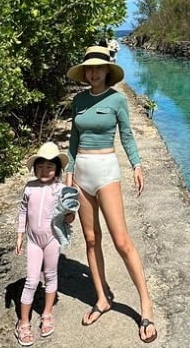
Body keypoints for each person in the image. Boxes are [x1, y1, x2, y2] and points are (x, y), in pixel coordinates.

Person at [65, 45, 158, 343]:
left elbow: (127, 134)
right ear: (85, 72)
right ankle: (102, 298)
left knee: (121, 241)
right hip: (81, 176)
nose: (93, 73)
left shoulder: (117, 99)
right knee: (91, 240)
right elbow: (73, 141)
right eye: (89, 68)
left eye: (99, 68)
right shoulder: (78, 100)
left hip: (106, 172)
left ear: (107, 71)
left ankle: (146, 305)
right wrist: (68, 179)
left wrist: (137, 164)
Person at [14, 142, 78, 347]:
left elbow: (68, 219)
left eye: (50, 167)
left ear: (57, 169)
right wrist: (20, 234)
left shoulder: (61, 190)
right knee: (31, 281)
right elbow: (23, 211)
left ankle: (47, 314)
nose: (44, 170)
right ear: (35, 168)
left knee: (50, 276)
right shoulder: (29, 187)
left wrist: (70, 213)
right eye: (40, 166)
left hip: (51, 240)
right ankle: (23, 323)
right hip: (33, 241)